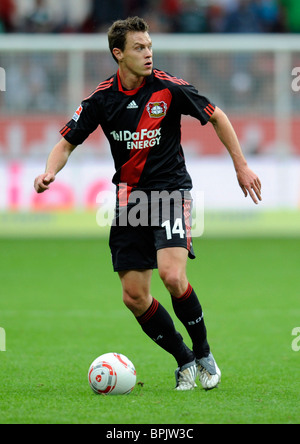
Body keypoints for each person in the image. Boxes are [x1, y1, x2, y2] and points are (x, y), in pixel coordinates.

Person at [34, 16, 262, 391]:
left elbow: (217, 116)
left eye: (150, 46)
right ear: (118, 54)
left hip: (170, 193)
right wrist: (49, 172)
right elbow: (66, 142)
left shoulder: (168, 88)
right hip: (129, 200)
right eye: (139, 48)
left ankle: (204, 354)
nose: (148, 53)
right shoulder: (101, 99)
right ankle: (184, 360)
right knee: (134, 296)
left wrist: (241, 165)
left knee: (172, 276)